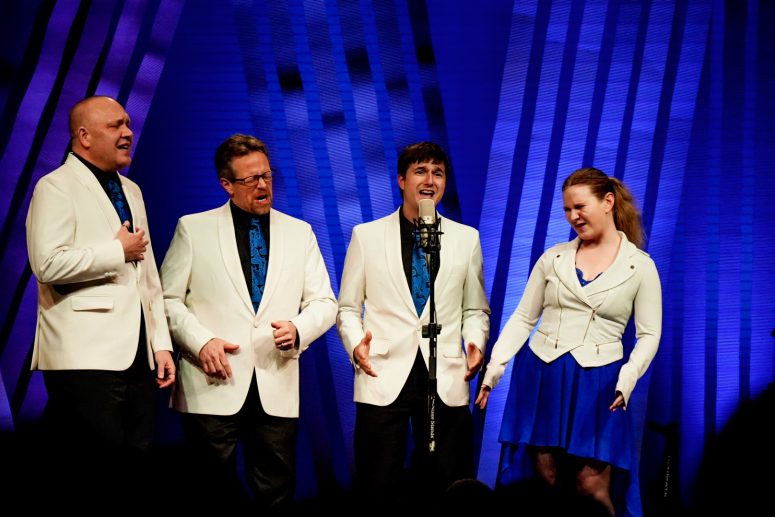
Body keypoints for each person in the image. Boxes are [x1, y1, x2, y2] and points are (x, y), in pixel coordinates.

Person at [160, 134, 337, 514]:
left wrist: (299, 329)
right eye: (251, 179)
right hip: (211, 382)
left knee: (277, 496)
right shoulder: (193, 228)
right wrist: (200, 341)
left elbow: (325, 302)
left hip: (275, 380)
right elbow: (166, 300)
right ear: (227, 184)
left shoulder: (299, 232)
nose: (262, 185)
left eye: (267, 175)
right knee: (213, 496)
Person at [475, 167, 662, 516]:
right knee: (546, 478)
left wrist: (628, 377)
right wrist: (495, 368)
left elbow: (649, 334)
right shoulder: (554, 258)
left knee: (590, 485)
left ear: (608, 202)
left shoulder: (640, 267)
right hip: (543, 374)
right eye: (567, 209)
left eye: (580, 207)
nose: (573, 216)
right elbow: (523, 318)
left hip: (600, 381)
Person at [25, 96, 175, 506]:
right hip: (84, 357)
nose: (128, 132)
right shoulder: (55, 186)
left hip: (136, 358)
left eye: (128, 124)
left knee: (136, 465)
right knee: (94, 470)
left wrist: (160, 343)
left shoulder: (132, 190)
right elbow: (47, 263)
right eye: (115, 126)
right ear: (84, 136)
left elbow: (148, 274)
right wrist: (115, 252)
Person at [337, 141, 491, 509]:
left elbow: (475, 309)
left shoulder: (466, 239)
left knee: (446, 483)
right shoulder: (366, 236)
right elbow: (347, 308)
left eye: (438, 173)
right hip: (382, 372)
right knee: (378, 484)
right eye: (420, 171)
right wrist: (356, 345)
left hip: (446, 375)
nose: (430, 180)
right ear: (401, 180)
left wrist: (475, 343)